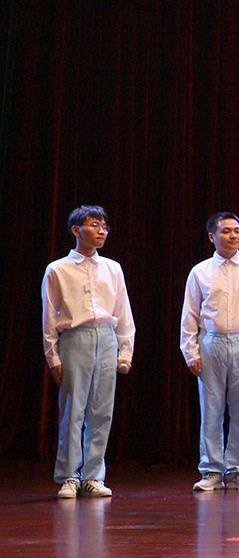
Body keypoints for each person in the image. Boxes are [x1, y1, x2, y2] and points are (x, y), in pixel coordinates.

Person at [42, 204, 135, 499]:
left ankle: (93, 475)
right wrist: (53, 356)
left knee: (101, 411)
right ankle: (69, 476)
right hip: (75, 338)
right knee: (73, 410)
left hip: (106, 337)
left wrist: (125, 350)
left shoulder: (112, 268)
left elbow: (123, 311)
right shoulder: (58, 269)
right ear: (76, 230)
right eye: (94, 225)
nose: (101, 231)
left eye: (104, 226)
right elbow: (49, 318)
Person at [180, 211, 239, 492]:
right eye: (226, 231)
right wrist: (191, 352)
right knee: (211, 408)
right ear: (212, 236)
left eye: (237, 231)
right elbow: (189, 314)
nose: (233, 236)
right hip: (211, 342)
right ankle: (211, 470)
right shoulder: (200, 271)